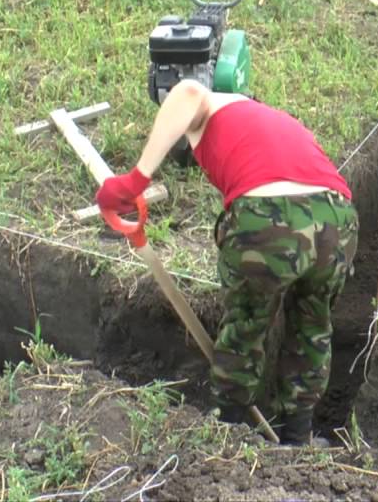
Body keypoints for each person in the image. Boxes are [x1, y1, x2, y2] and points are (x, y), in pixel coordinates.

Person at [95, 79, 358, 447]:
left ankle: (229, 437)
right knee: (312, 326)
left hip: (268, 217)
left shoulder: (216, 106)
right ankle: (298, 437)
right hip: (338, 221)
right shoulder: (278, 121)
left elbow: (187, 91)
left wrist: (135, 180)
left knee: (247, 325)